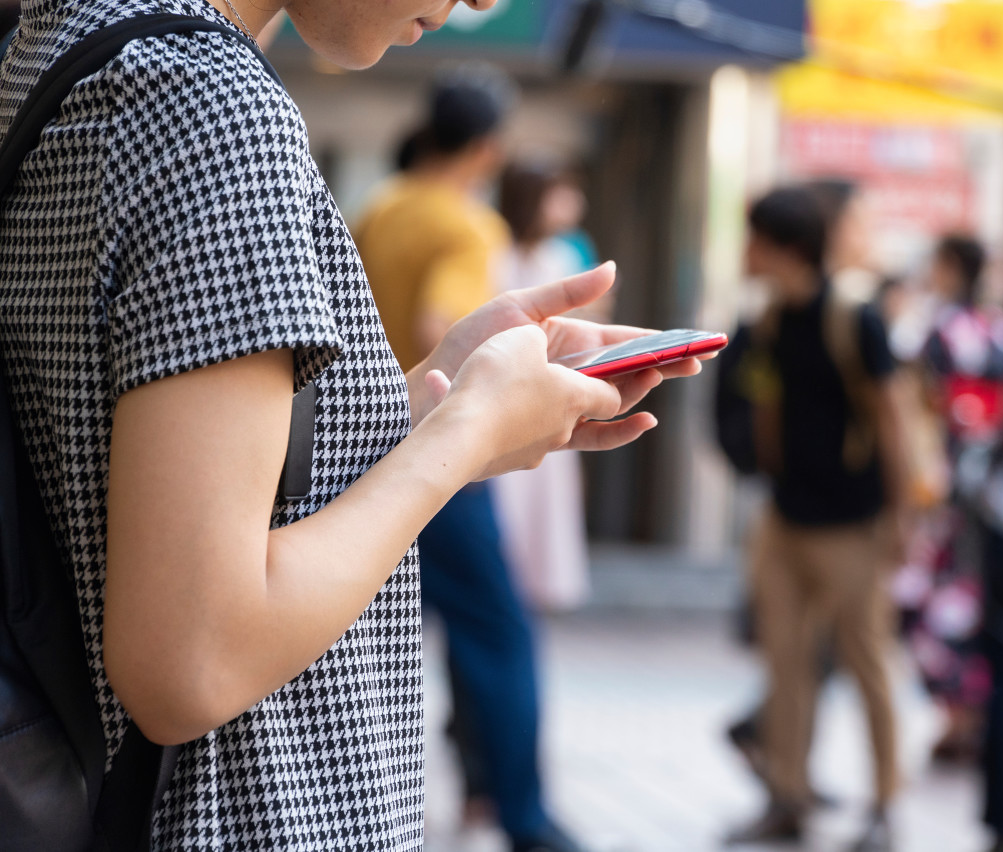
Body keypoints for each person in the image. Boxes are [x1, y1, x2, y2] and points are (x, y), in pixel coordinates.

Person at [0, 0, 698, 848]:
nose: (483, 2)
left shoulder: (63, 46)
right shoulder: (208, 105)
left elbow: (127, 460)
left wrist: (420, 411)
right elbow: (191, 658)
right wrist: (463, 435)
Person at [354, 80, 591, 852]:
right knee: (498, 631)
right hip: (436, 446)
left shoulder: (380, 205)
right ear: (486, 149)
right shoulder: (464, 222)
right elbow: (442, 328)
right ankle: (523, 816)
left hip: (360, 442)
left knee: (377, 635)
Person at [717, 186, 912, 852]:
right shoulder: (768, 319)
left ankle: (886, 805)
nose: (745, 253)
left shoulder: (855, 318)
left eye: (754, 240)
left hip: (852, 521)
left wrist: (902, 517)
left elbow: (892, 418)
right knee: (786, 662)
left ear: (784, 248)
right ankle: (787, 795)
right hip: (785, 515)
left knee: (867, 664)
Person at [900, 235, 1003, 763]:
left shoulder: (938, 330)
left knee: (937, 597)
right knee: (976, 596)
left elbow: (922, 406)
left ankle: (959, 714)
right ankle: (968, 716)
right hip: (997, 482)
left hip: (947, 481)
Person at [490, 162, 597, 613]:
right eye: (561, 193)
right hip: (502, 400)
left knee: (542, 499)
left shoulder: (566, 255)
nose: (573, 205)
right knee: (506, 504)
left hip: (552, 394)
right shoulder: (494, 250)